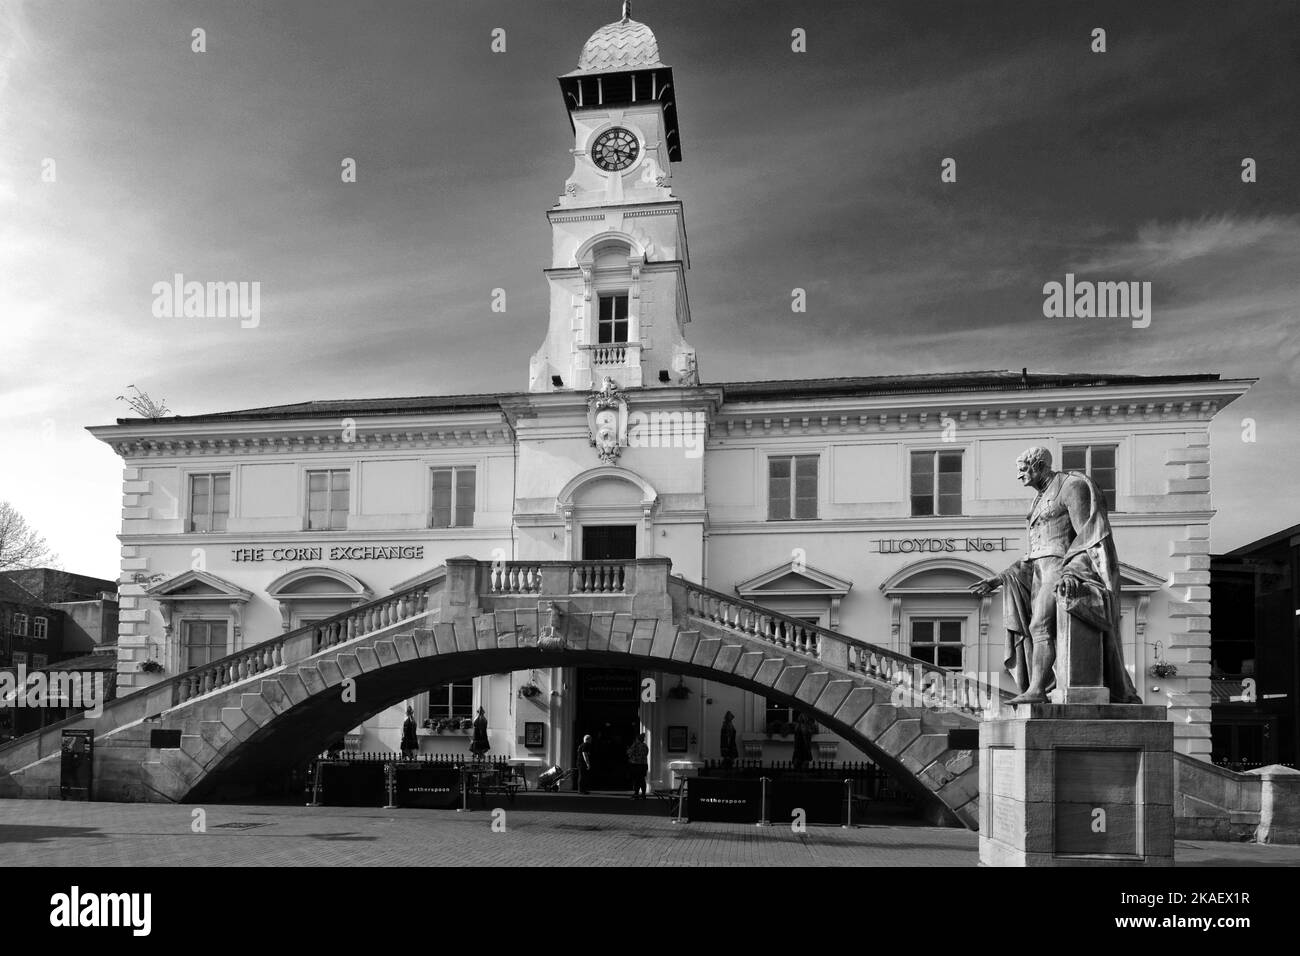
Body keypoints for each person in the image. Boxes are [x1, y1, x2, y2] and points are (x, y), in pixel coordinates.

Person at [970, 446, 1142, 704]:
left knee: (1039, 625)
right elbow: (1036, 550)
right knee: (1038, 628)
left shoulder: (1071, 486)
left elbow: (1087, 536)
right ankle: (1042, 687)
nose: (1019, 476)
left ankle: (1037, 689)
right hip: (1038, 571)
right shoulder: (1039, 498)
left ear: (1039, 465)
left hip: (1059, 567)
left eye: (1023, 469)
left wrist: (1073, 572)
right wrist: (999, 578)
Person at [626, 732, 649, 799]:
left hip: (636, 765)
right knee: (642, 779)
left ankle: (636, 794)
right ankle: (643, 794)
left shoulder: (635, 745)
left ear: (637, 739)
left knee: (636, 780)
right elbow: (646, 753)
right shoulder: (645, 746)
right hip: (644, 765)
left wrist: (628, 749)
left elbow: (629, 753)